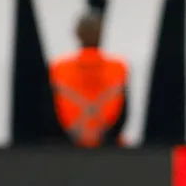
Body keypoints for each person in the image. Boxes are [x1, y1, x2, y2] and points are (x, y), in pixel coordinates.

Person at [49, 11, 129, 148]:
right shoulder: (118, 68)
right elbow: (122, 115)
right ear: (101, 34)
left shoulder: (58, 68)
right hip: (110, 146)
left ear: (77, 34)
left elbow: (52, 113)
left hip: (68, 146)